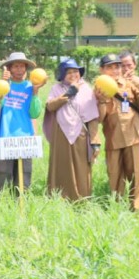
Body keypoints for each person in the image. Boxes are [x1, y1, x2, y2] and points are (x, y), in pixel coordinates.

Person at [94, 53, 139, 210]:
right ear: (102, 70)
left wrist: (138, 86)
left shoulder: (130, 84)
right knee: (114, 175)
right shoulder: (98, 88)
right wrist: (101, 101)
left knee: (137, 174)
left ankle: (137, 207)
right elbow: (100, 119)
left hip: (134, 135)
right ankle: (116, 207)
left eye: (117, 66)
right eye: (109, 67)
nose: (114, 71)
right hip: (113, 137)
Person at [44, 58, 100, 201]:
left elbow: (92, 117)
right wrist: (70, 92)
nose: (73, 75)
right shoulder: (56, 89)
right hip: (60, 132)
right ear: (62, 74)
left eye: (75, 72)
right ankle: (58, 197)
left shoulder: (87, 89)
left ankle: (80, 198)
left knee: (80, 165)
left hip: (80, 132)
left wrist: (95, 141)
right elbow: (51, 106)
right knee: (60, 165)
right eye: (68, 72)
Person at [0, 52, 44, 195]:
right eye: (16, 66)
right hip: (4, 136)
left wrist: (35, 93)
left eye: (22, 66)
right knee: (0, 173)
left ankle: (20, 206)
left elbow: (35, 113)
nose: (19, 70)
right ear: (9, 69)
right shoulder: (3, 86)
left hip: (25, 138)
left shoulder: (30, 87)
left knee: (23, 176)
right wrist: (4, 85)